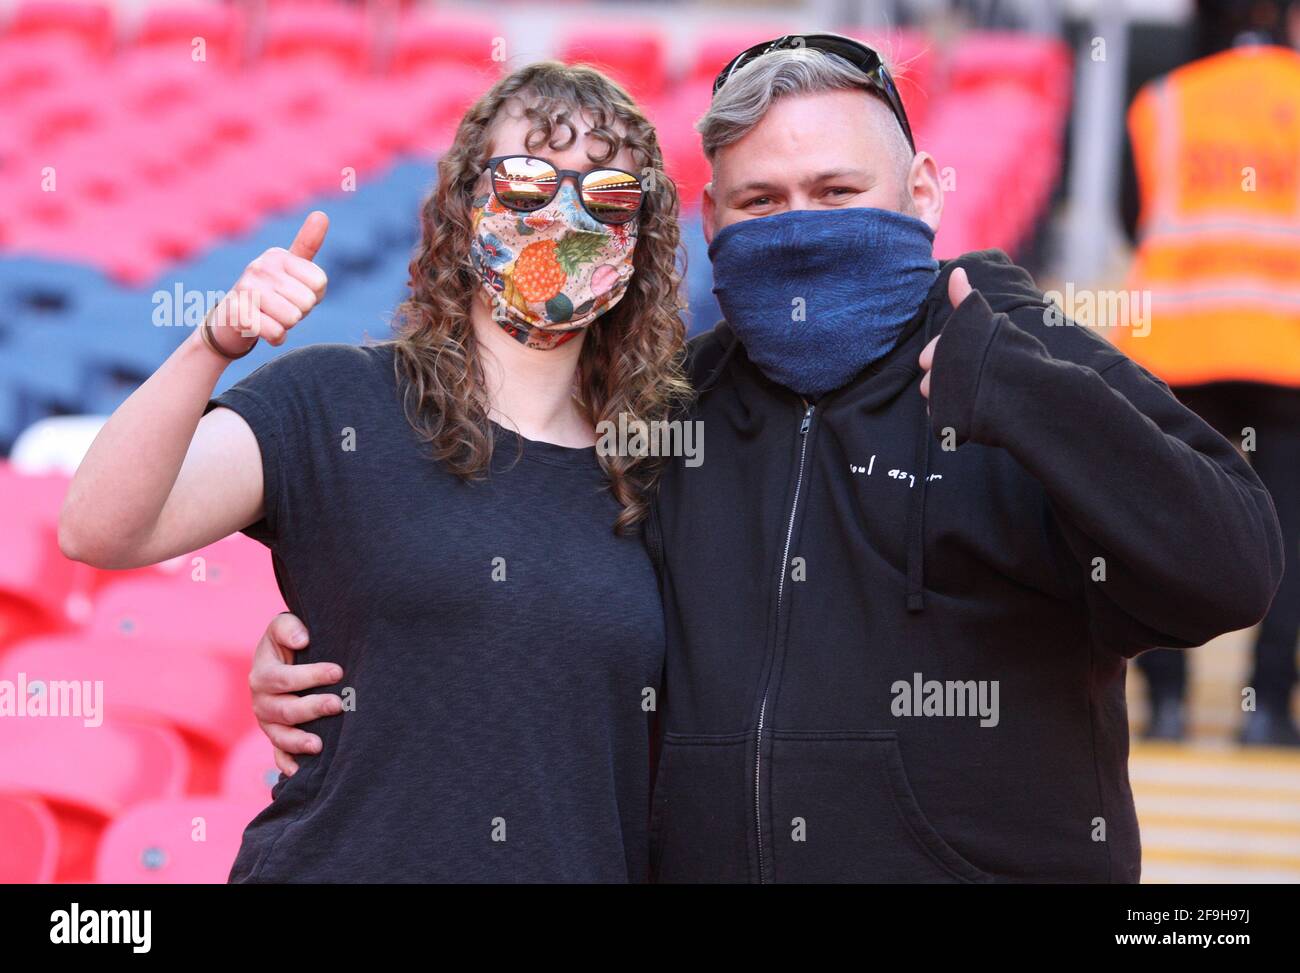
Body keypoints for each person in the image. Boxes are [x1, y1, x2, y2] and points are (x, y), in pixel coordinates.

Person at [245, 35, 1284, 882]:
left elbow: (1227, 568)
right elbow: (520, 575)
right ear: (709, 218)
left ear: (921, 192)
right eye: (761, 202)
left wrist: (1020, 393)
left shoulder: (1026, 361)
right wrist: (346, 638)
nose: (799, 229)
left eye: (837, 192)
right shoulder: (666, 407)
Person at [59, 62, 690, 882]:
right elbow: (99, 527)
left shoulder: (663, 463)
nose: (564, 215)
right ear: (467, 208)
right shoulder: (335, 397)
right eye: (529, 181)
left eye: (605, 194)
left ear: (637, 237)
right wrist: (211, 343)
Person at [1118, 0, 1300, 746]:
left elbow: (1136, 216)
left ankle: (1164, 702)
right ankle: (1266, 709)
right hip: (1287, 349)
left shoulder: (1163, 101)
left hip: (1176, 343)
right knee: (1289, 532)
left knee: (1168, 522)